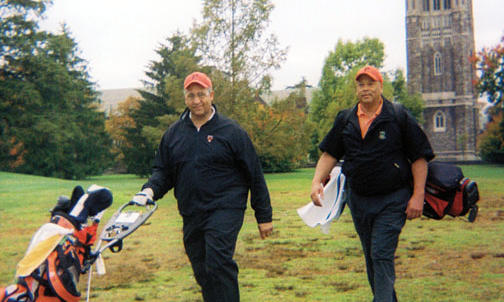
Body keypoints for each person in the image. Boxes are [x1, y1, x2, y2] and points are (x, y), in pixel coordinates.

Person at [131, 71, 273, 302]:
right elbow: (163, 171)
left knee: (218, 262)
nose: (197, 100)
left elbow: (254, 174)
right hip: (191, 211)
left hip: (225, 208)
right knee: (202, 269)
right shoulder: (173, 134)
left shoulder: (232, 131)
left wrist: (263, 215)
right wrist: (149, 191)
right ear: (185, 98)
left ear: (211, 95)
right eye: (191, 95)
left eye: (201, 94)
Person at [310, 65, 434, 302]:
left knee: (381, 254)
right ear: (356, 88)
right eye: (361, 84)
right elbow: (329, 154)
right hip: (359, 201)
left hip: (393, 199)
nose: (365, 88)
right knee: (371, 257)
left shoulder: (398, 116)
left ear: (381, 87)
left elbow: (419, 157)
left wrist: (418, 196)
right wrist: (316, 181)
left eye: (370, 83)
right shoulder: (345, 119)